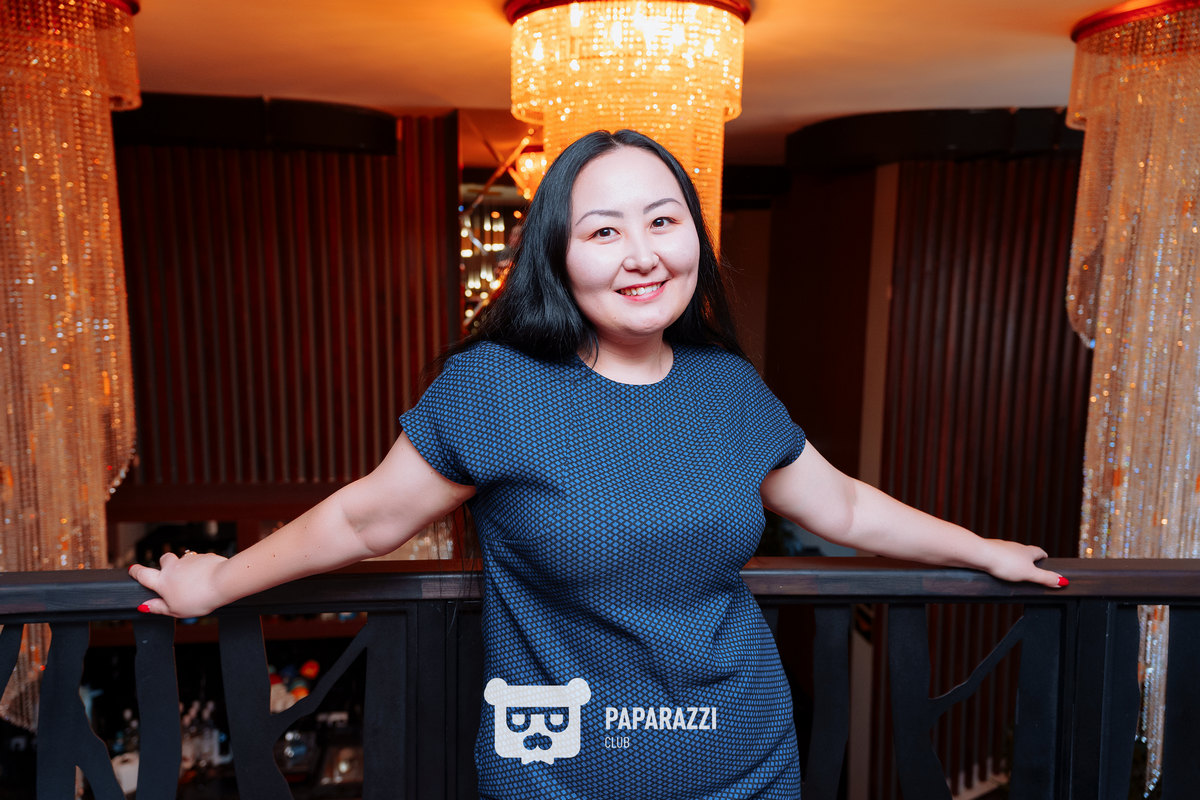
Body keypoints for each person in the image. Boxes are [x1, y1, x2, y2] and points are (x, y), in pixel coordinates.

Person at [130, 129, 1066, 799]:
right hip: (561, 772)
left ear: (695, 237)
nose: (642, 255)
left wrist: (982, 548)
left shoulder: (729, 387)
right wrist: (218, 581)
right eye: (605, 230)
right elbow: (364, 518)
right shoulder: (495, 387)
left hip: (746, 761)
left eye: (663, 221)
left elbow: (846, 508)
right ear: (559, 254)